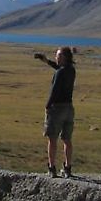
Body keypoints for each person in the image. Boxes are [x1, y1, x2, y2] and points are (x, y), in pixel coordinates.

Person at [34, 47, 76, 178]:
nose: (56, 57)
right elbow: (59, 69)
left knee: (52, 139)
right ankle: (67, 168)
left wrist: (47, 106)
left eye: (58, 55)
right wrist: (47, 61)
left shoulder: (60, 73)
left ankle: (51, 169)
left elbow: (54, 91)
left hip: (57, 108)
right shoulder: (71, 70)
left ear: (63, 57)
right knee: (67, 139)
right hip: (69, 109)